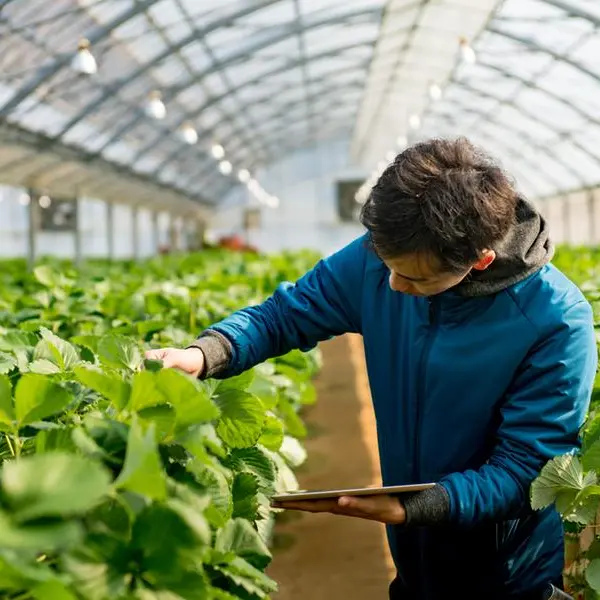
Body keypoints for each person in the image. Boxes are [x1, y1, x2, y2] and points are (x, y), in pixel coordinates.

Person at [145, 138, 596, 600]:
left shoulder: (554, 321)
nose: (393, 286)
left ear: (479, 260)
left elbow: (527, 471)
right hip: (413, 562)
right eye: (386, 267)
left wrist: (420, 506)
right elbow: (286, 313)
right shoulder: (382, 256)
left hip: (506, 577)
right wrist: (205, 353)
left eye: (416, 278)